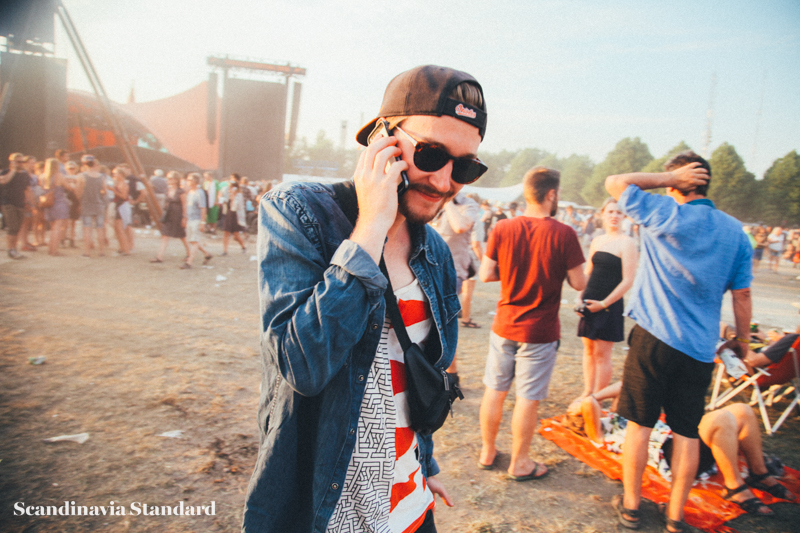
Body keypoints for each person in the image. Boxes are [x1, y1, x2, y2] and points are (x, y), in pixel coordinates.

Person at [242, 65, 489, 533]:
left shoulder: (433, 251)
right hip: (327, 510)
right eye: (432, 154)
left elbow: (416, 372)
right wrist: (372, 226)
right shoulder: (300, 212)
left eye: (465, 166)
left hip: (410, 505)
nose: (443, 182)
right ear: (382, 138)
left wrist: (423, 464)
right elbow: (303, 367)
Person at [604, 150, 753, 533]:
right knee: (687, 431)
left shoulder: (664, 212)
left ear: (678, 183)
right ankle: (675, 515)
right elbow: (741, 295)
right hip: (699, 347)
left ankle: (633, 506)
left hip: (653, 337)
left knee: (639, 424)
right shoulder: (735, 231)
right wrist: (743, 343)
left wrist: (666, 179)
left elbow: (615, 182)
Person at [478, 166, 586, 480]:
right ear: (551, 194)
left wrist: (514, 271)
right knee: (527, 399)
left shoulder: (503, 228)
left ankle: (487, 451)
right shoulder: (564, 233)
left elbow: (486, 274)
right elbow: (579, 283)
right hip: (539, 331)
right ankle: (520, 463)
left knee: (494, 391)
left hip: (504, 325)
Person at [568, 382, 794, 517]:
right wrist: (587, 399)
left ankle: (758, 471)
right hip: (672, 454)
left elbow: (626, 385)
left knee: (742, 410)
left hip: (679, 439)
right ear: (582, 421)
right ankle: (733, 485)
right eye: (575, 412)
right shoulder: (599, 435)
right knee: (722, 417)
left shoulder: (618, 417)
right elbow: (590, 404)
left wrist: (597, 401)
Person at [575, 197, 638, 400]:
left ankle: (597, 397)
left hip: (609, 304)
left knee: (602, 353)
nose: (614, 216)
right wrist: (579, 297)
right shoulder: (597, 240)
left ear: (624, 216)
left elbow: (628, 280)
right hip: (589, 299)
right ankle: (587, 391)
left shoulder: (628, 243)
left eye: (618, 212)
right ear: (603, 214)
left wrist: (604, 304)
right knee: (588, 349)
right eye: (610, 212)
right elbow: (588, 272)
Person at [432, 191, 480, 335]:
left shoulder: (468, 204)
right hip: (427, 271)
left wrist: (447, 201)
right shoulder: (430, 198)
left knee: (443, 332)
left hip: (451, 273)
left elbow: (460, 226)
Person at [150, 171, 189, 263]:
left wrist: (184, 217)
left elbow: (184, 205)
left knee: (182, 236)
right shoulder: (167, 189)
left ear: (176, 180)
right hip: (169, 214)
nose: (168, 180)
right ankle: (159, 257)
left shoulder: (181, 191)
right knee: (165, 235)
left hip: (178, 215)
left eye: (170, 178)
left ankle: (189, 253)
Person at [0, 153, 32, 259]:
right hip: (8, 203)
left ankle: (14, 249)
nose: (21, 164)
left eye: (22, 162)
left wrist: (30, 202)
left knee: (17, 227)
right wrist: (13, 170)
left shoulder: (24, 174)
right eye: (18, 162)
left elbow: (27, 189)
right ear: (12, 162)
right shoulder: (6, 172)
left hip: (20, 204)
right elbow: (4, 180)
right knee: (12, 227)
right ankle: (11, 249)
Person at [75, 154, 107, 258]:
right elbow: (104, 191)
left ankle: (87, 252)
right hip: (99, 205)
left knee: (87, 228)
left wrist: (81, 198)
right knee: (100, 228)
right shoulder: (101, 176)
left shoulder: (81, 176)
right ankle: (102, 251)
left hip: (86, 204)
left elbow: (78, 191)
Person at [40, 158, 70, 256]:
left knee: (53, 228)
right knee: (57, 228)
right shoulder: (59, 176)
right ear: (57, 166)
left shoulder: (42, 177)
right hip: (59, 203)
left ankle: (50, 249)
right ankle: (54, 250)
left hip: (48, 205)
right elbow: (68, 187)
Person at [182, 173, 212, 269]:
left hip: (197, 219)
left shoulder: (200, 193)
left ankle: (189, 262)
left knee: (194, 240)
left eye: (190, 180)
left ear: (195, 181)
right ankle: (207, 254)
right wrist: (185, 217)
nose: (188, 182)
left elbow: (203, 208)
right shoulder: (190, 192)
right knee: (192, 240)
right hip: (190, 219)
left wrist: (203, 222)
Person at [110, 167, 132, 255]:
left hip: (122, 206)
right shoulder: (118, 183)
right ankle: (122, 247)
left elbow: (123, 196)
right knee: (117, 228)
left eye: (115, 173)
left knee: (120, 228)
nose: (114, 175)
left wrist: (113, 190)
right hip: (118, 205)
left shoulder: (124, 184)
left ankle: (126, 249)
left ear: (121, 174)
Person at [221, 181, 246, 255]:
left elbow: (236, 206)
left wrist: (233, 197)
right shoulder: (228, 194)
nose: (229, 188)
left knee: (236, 235)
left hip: (236, 216)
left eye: (231, 187)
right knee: (226, 233)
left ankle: (243, 246)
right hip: (229, 214)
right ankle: (225, 251)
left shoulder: (239, 195)